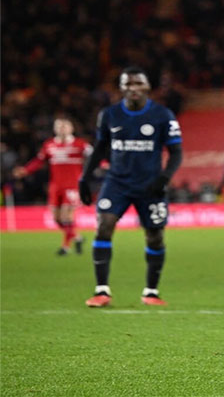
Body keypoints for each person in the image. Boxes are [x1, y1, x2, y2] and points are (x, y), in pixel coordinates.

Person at [78, 66, 183, 308]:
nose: (133, 88)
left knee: (155, 236)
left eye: (138, 84)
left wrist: (164, 178)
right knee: (104, 225)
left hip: (150, 185)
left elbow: (176, 152)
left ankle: (151, 292)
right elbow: (100, 148)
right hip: (117, 182)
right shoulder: (110, 114)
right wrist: (85, 177)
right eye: (128, 84)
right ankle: (101, 290)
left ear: (147, 87)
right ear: (121, 88)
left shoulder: (162, 115)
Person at [13, 118, 91, 255]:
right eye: (59, 126)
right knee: (56, 218)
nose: (62, 129)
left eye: (65, 126)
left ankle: (65, 247)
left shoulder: (80, 144)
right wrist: (25, 170)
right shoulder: (49, 145)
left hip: (72, 185)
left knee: (67, 215)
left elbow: (95, 156)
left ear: (71, 128)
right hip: (56, 185)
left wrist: (104, 164)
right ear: (55, 129)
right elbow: (39, 161)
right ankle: (77, 237)